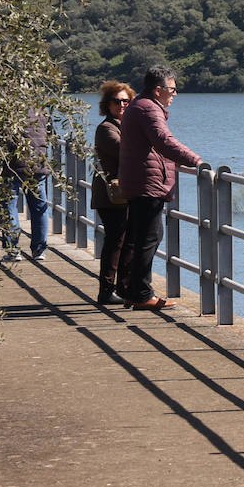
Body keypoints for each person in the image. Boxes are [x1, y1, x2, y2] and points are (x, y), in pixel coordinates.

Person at [119, 65, 200, 310]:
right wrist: (196, 161)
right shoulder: (148, 109)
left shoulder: (141, 106)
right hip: (147, 183)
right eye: (173, 90)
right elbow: (164, 141)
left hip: (141, 180)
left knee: (139, 237)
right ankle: (141, 293)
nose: (175, 95)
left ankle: (129, 288)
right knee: (148, 237)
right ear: (158, 90)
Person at [90, 81, 135, 304]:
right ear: (107, 104)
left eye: (127, 101)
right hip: (111, 196)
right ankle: (107, 291)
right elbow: (126, 151)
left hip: (124, 194)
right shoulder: (106, 129)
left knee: (126, 241)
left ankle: (123, 288)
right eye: (117, 101)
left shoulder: (125, 126)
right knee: (116, 242)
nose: (122, 105)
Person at [1, 109, 51, 263]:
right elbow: (50, 134)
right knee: (39, 207)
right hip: (37, 163)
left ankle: (13, 249)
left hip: (12, 165)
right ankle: (39, 248)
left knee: (9, 206)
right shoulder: (41, 110)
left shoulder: (6, 109)